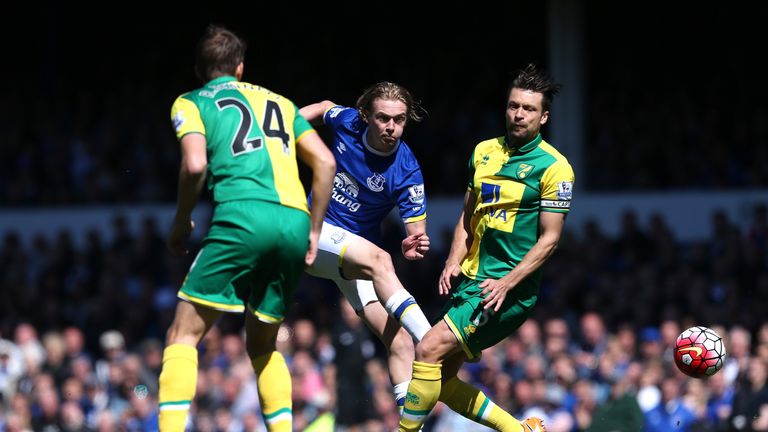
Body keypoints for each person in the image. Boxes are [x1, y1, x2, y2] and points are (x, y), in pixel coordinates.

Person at [157, 25, 336, 432]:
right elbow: (324, 163)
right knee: (262, 347)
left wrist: (182, 218)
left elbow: (195, 165)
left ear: (198, 69)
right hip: (293, 221)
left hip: (242, 215)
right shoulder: (281, 103)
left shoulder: (191, 101)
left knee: (183, 335)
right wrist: (313, 229)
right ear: (240, 67)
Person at [399, 63, 575, 432]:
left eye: (528, 109)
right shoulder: (483, 152)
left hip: (504, 289)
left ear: (544, 117)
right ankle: (518, 429)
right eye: (513, 106)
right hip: (473, 279)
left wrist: (507, 282)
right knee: (442, 381)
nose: (518, 114)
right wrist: (452, 260)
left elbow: (550, 240)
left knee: (427, 350)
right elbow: (469, 215)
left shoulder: (556, 169)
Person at [299, 82, 432, 411]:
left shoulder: (407, 170)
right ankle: (435, 340)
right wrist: (282, 130)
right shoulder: (348, 121)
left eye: (399, 120)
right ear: (365, 116)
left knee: (400, 342)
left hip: (351, 257)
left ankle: (408, 422)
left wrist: (414, 244)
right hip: (313, 234)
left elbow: (416, 233)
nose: (391, 127)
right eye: (383, 118)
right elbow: (323, 104)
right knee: (380, 259)